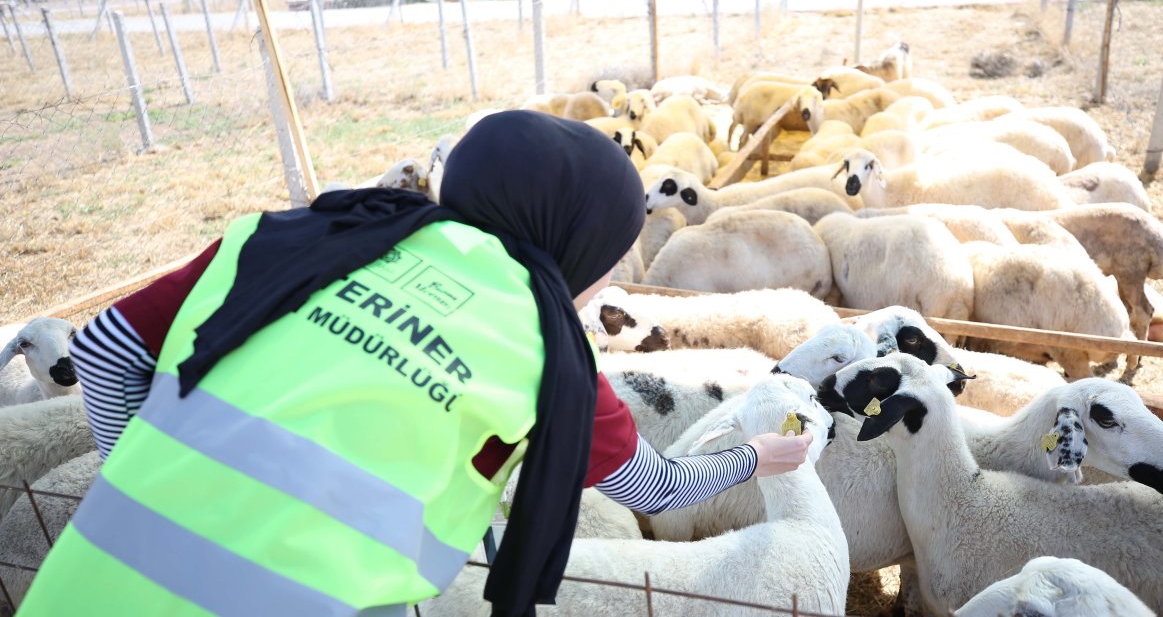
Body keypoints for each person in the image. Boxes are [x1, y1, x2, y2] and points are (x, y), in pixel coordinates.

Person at [18, 111, 813, 617]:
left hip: (82, 584)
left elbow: (104, 347)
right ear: (573, 242)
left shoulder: (295, 239)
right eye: (609, 254)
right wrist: (759, 457)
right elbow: (654, 489)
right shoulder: (542, 350)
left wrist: (152, 483)